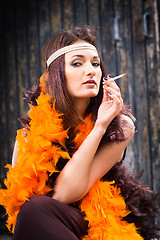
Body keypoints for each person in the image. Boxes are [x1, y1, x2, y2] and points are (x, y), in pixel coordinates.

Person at [0, 26, 159, 240]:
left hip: (94, 225)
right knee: (32, 211)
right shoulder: (31, 133)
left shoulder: (119, 127)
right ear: (55, 74)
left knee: (35, 209)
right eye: (77, 63)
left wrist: (100, 126)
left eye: (95, 63)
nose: (91, 70)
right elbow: (20, 205)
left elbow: (65, 194)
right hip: (45, 225)